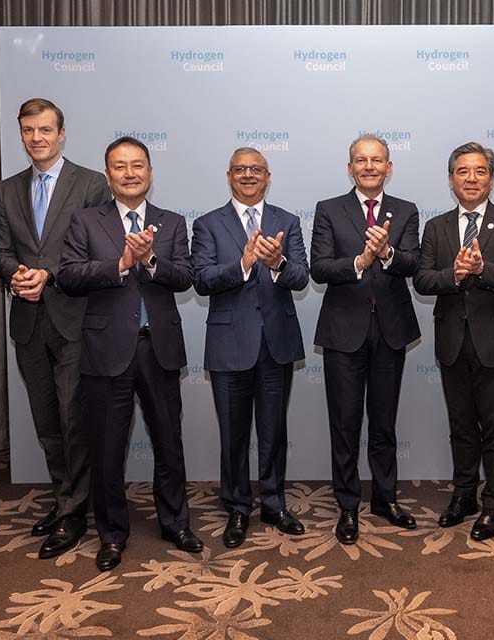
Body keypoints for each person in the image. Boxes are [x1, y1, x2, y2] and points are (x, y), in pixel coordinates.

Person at [58, 136, 199, 572]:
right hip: (106, 350)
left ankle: (175, 522)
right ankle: (111, 534)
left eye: (138, 165)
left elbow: (186, 277)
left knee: (169, 443)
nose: (130, 173)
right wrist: (120, 264)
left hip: (158, 348)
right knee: (107, 449)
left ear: (150, 173)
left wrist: (152, 260)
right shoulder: (85, 221)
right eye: (120, 166)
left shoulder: (172, 222)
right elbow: (68, 276)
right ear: (108, 175)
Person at [0, 98, 110, 558]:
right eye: (27, 131)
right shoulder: (7, 189)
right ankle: (66, 499)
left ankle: (76, 511)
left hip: (74, 318)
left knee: (73, 419)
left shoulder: (92, 184)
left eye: (44, 130)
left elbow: (99, 247)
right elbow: (0, 249)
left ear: (61, 134)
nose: (35, 138)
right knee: (46, 423)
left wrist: (50, 273)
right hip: (27, 319)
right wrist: (15, 275)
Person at [414, 142, 494, 541]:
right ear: (451, 180)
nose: (471, 178)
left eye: (480, 171)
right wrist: (454, 274)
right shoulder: (436, 227)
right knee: (461, 426)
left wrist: (483, 270)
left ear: (492, 179)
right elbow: (422, 279)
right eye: (463, 171)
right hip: (452, 342)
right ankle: (463, 495)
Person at [192, 148, 310, 548]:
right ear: (229, 176)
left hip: (276, 345)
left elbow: (301, 277)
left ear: (267, 176)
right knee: (234, 433)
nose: (248, 175)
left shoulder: (287, 222)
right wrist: (242, 265)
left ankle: (274, 503)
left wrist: (277, 263)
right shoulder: (208, 224)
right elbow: (202, 280)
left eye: (255, 169)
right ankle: (238, 506)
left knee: (274, 431)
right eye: (240, 169)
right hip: (229, 346)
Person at [310, 134, 421, 545]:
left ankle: (385, 499)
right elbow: (319, 267)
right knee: (344, 424)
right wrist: (360, 261)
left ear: (389, 168)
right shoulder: (329, 210)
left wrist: (387, 253)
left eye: (377, 160)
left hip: (390, 331)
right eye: (361, 160)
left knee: (384, 422)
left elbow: (415, 263)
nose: (370, 166)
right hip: (343, 332)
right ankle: (348, 506)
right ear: (350, 168)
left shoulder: (405, 211)